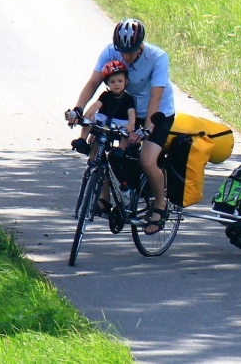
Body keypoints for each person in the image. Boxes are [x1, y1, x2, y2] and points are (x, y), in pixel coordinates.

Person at [66, 18, 176, 235]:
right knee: (101, 148)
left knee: (146, 160)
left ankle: (160, 205)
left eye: (131, 52)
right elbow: (93, 83)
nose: (125, 57)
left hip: (156, 113)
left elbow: (156, 97)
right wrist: (78, 109)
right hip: (123, 108)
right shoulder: (110, 51)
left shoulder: (157, 58)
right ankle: (104, 200)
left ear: (141, 45)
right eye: (122, 51)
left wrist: (145, 130)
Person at [71, 59, 136, 155]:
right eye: (112, 82)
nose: (116, 84)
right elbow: (96, 105)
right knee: (90, 118)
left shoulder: (128, 98)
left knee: (129, 128)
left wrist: (131, 123)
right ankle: (82, 139)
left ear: (126, 82)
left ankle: (120, 149)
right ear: (107, 83)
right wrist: (87, 115)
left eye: (120, 81)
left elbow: (131, 112)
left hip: (120, 122)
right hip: (103, 118)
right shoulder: (105, 95)